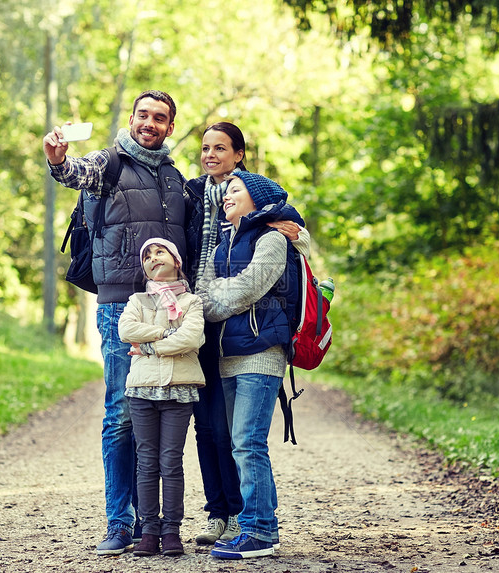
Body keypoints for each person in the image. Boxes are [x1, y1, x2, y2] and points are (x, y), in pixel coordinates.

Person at [42, 90, 200, 556]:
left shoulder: (175, 178)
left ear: (170, 127)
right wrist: (57, 161)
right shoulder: (107, 164)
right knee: (122, 411)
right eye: (144, 115)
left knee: (161, 412)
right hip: (121, 306)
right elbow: (75, 174)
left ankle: (154, 524)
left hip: (172, 308)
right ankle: (120, 522)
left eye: (160, 118)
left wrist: (283, 220)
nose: (150, 123)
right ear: (131, 119)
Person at [185, 123, 309, 546]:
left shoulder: (271, 238)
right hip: (226, 352)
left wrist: (217, 296)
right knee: (241, 443)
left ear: (254, 199)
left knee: (248, 444)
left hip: (259, 351)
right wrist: (217, 295)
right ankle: (255, 527)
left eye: (235, 193)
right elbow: (208, 290)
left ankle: (258, 531)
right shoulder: (223, 243)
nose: (227, 198)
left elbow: (241, 290)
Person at [118, 238, 206, 557]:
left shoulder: (192, 303)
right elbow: (126, 330)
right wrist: (168, 334)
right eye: (147, 256)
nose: (153, 258)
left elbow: (192, 337)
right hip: (142, 389)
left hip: (179, 388)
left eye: (159, 252)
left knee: (171, 461)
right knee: (146, 461)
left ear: (176, 260)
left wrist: (151, 346)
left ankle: (171, 530)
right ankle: (148, 530)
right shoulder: (138, 300)